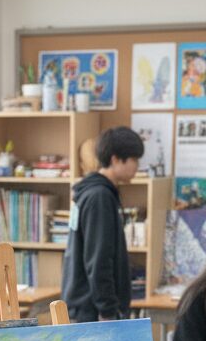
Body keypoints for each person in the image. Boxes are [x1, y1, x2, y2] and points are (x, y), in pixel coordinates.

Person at [62, 126, 144, 323]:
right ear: (115, 159)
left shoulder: (93, 192)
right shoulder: (100, 197)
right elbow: (98, 259)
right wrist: (107, 311)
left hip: (86, 307)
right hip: (92, 312)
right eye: (134, 160)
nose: (137, 166)